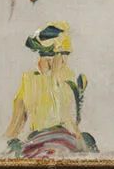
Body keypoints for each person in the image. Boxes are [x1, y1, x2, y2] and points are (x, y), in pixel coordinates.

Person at [6, 23, 93, 157]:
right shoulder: (33, 79)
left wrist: (11, 142)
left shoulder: (67, 79)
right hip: (53, 141)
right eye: (63, 55)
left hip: (47, 142)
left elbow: (15, 126)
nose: (64, 60)